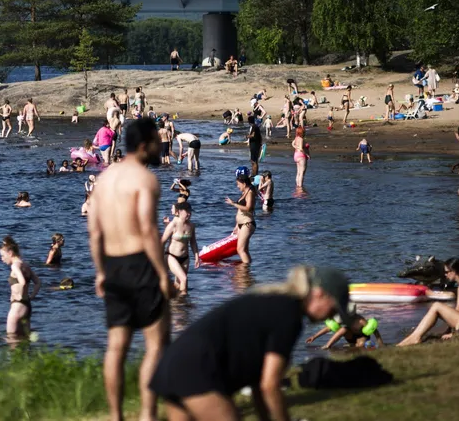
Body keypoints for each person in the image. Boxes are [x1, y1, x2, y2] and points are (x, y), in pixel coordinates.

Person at [150, 265, 349, 421]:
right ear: (319, 294)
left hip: (172, 363)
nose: (330, 317)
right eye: (333, 310)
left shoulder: (272, 301)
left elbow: (259, 385)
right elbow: (270, 385)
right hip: (195, 369)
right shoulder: (289, 315)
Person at [87, 117, 172, 421]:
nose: (161, 145)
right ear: (145, 144)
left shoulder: (104, 179)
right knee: (156, 343)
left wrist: (100, 271)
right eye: (157, 140)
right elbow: (148, 229)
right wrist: (163, 274)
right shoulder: (145, 179)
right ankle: (148, 415)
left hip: (112, 265)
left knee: (116, 347)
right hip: (141, 263)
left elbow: (94, 232)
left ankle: (116, 416)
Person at [398, 258, 459, 345]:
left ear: (454, 271)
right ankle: (414, 336)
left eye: (447, 272)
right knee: (437, 306)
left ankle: (415, 337)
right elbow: (458, 311)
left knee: (436, 306)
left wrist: (455, 333)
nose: (445, 275)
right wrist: (448, 330)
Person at [1, 236, 41, 339]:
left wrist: (20, 296)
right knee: (25, 341)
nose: (2, 259)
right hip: (27, 306)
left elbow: (22, 282)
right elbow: (38, 282)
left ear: (10, 253)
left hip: (17, 306)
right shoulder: (25, 265)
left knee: (11, 340)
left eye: (3, 255)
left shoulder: (15, 266)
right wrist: (31, 296)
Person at [160, 202, 199, 295]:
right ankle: (184, 304)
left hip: (185, 258)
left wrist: (197, 257)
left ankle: (175, 306)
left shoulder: (191, 226)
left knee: (179, 284)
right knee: (184, 279)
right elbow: (163, 241)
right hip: (171, 256)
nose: (189, 214)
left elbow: (193, 242)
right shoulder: (173, 224)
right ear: (179, 211)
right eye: (187, 212)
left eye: (190, 212)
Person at [306, 307, 384, 350]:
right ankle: (327, 346)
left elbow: (374, 330)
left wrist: (380, 343)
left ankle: (355, 345)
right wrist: (314, 336)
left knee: (360, 345)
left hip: (362, 336)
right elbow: (328, 328)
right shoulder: (342, 319)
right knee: (343, 329)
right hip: (350, 336)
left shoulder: (360, 321)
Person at [225, 174, 256, 265]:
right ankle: (248, 269)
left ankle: (245, 269)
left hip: (248, 223)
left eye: (238, 184)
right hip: (241, 224)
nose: (237, 186)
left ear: (244, 183)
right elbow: (240, 210)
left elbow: (248, 208)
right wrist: (236, 225)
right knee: (244, 249)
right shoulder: (244, 192)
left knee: (240, 249)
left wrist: (233, 204)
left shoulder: (250, 193)